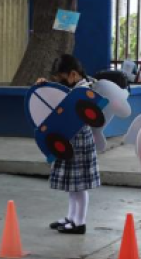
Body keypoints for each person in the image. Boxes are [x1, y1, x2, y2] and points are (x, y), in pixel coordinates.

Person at [43, 55, 101, 234]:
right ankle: (71, 217)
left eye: (61, 79)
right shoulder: (75, 87)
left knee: (80, 184)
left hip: (80, 140)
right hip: (70, 139)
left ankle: (80, 222)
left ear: (73, 74)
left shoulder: (84, 90)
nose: (60, 83)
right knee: (73, 184)